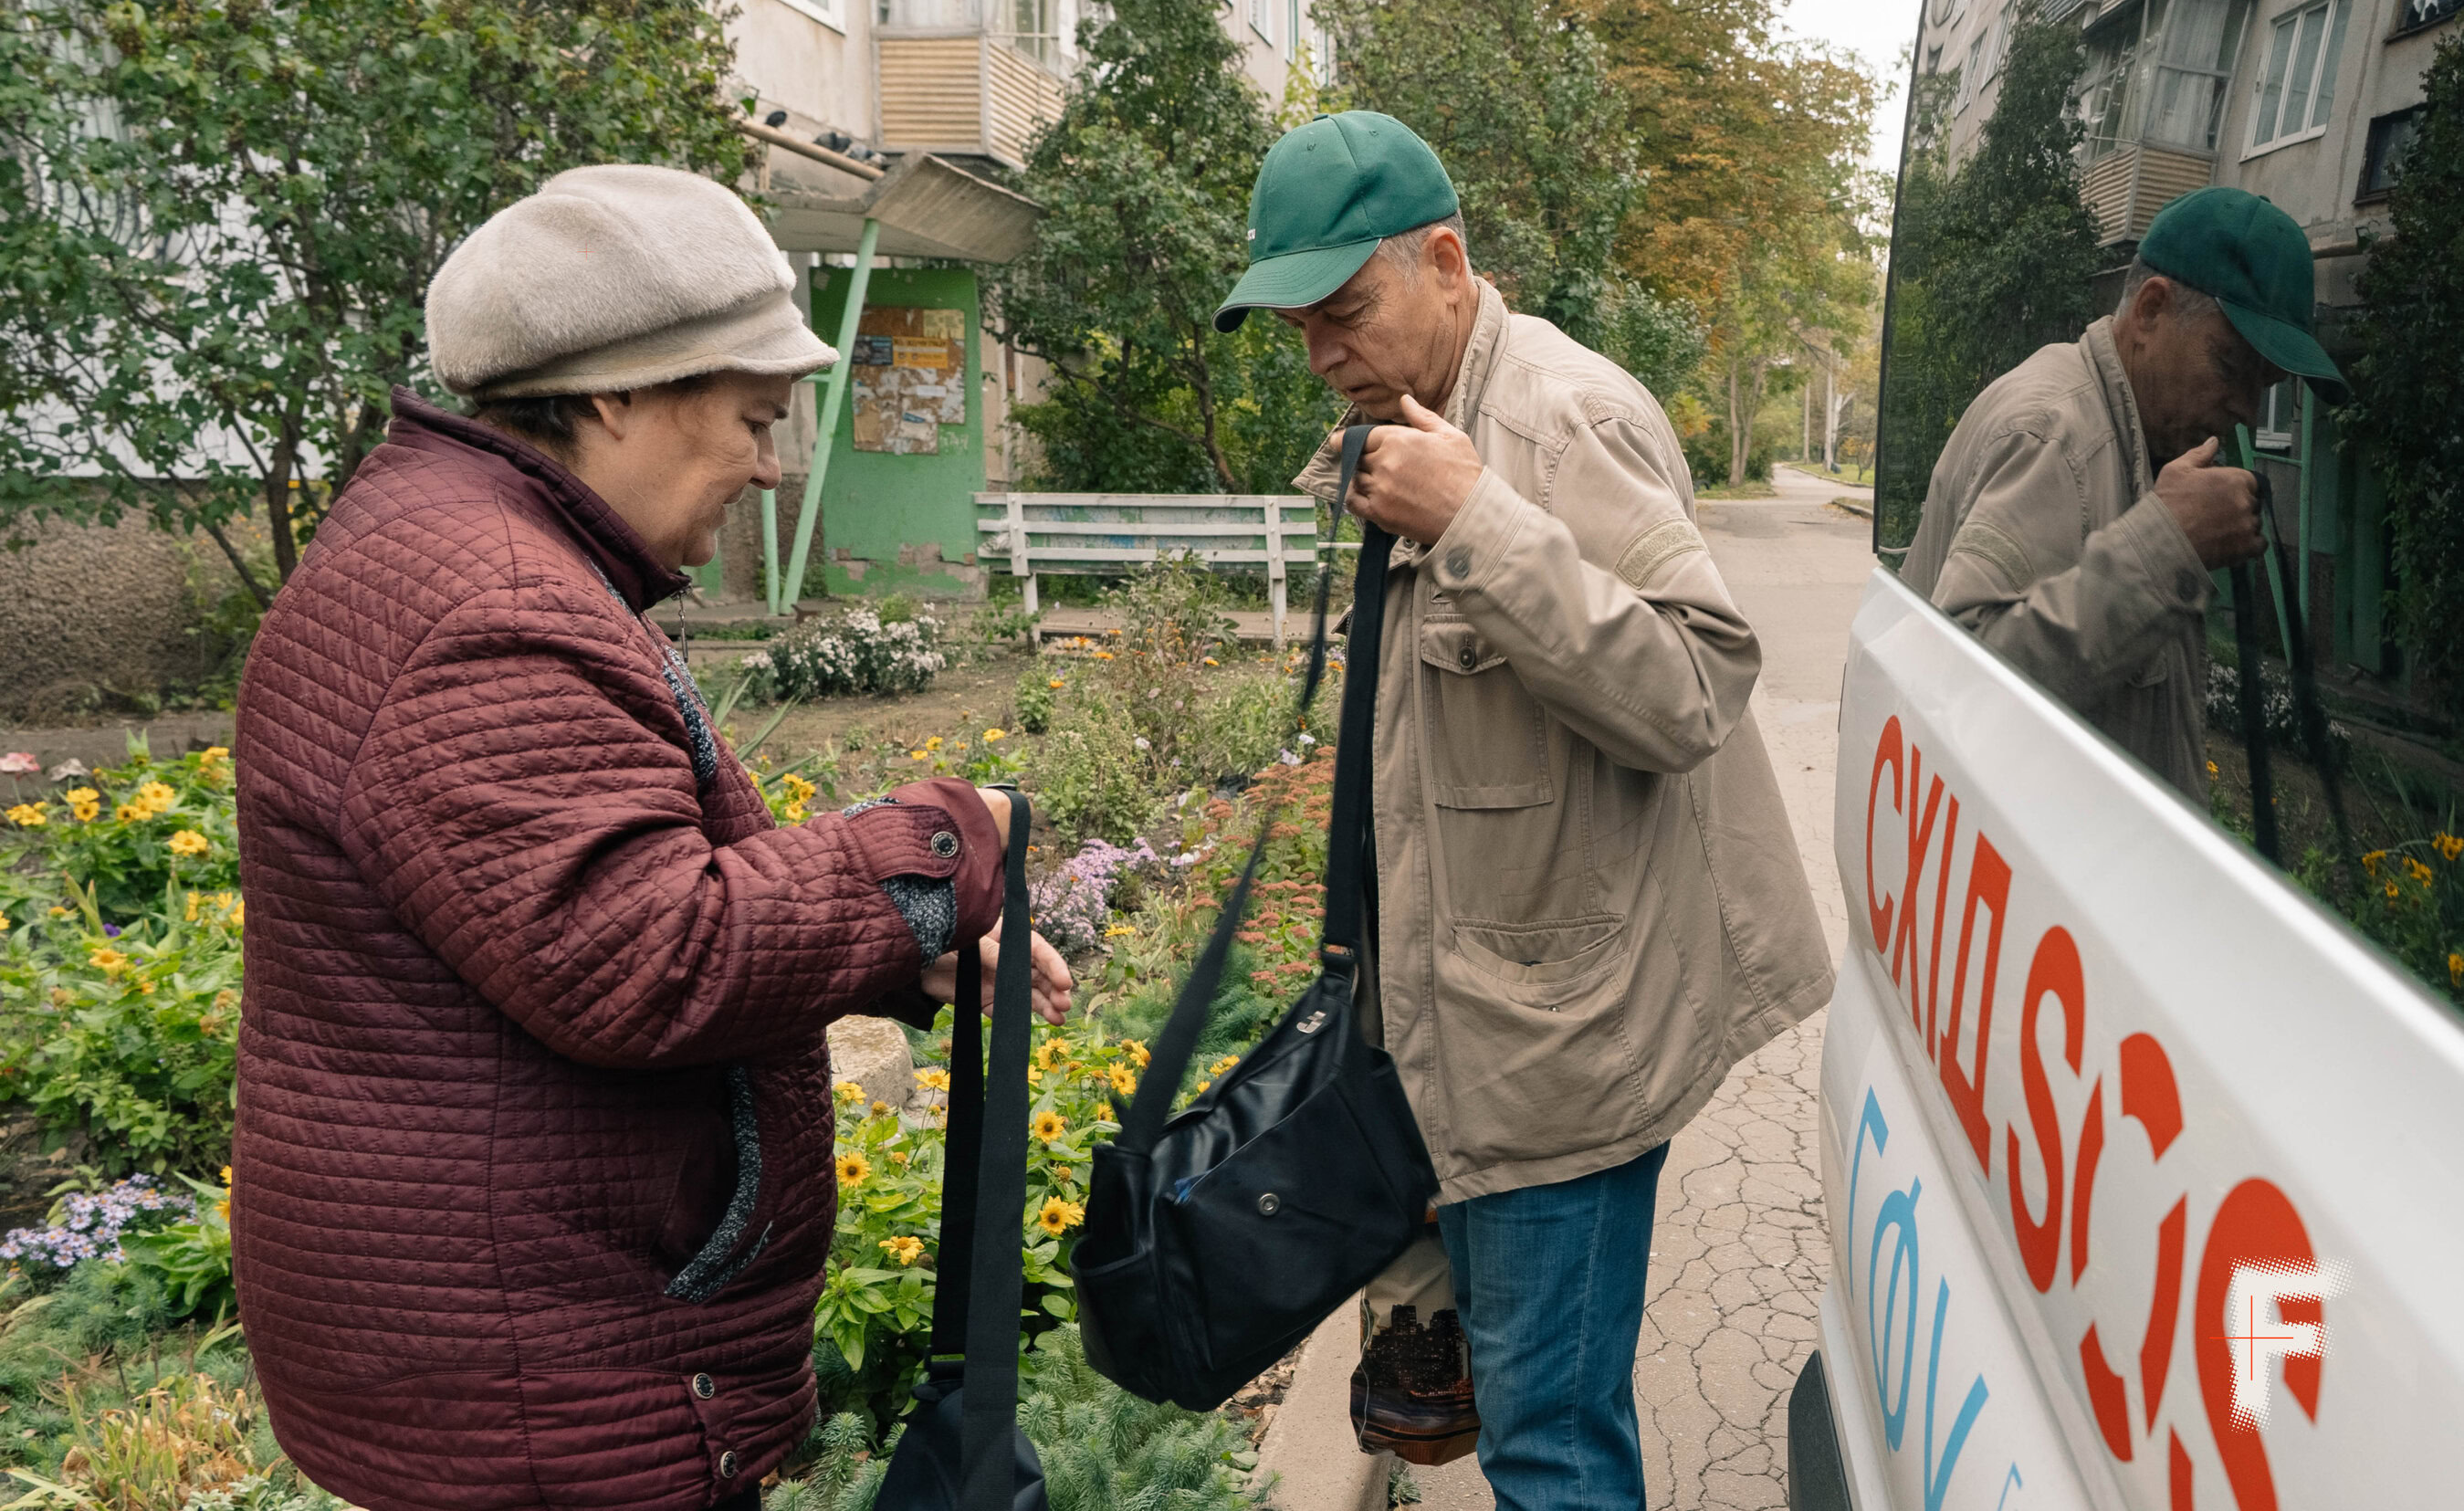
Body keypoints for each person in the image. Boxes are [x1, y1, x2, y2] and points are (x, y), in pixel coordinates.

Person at [230, 164, 1071, 1511]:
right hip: (542, 1377)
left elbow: (549, 911)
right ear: (618, 392)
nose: (770, 461)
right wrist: (936, 843)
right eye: (751, 416)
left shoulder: (462, 551)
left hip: (510, 1349)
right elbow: (641, 956)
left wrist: (877, 954)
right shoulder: (493, 607)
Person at [1214, 111, 1831, 1510]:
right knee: (1508, 1423)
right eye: (1294, 325)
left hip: (1564, 1052)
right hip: (1464, 1025)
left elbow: (1693, 680)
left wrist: (1479, 520)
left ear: (1445, 261)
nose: (1318, 354)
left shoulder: (1560, 421)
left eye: (1342, 312)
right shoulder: (1413, 422)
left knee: (1551, 1449)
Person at [1900, 186, 2348, 796]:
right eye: (2230, 366)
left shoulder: (2126, 435)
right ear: (2149, 311)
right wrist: (2167, 546)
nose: (2246, 409)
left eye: (2267, 385)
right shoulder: (2058, 436)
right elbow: (1953, 688)